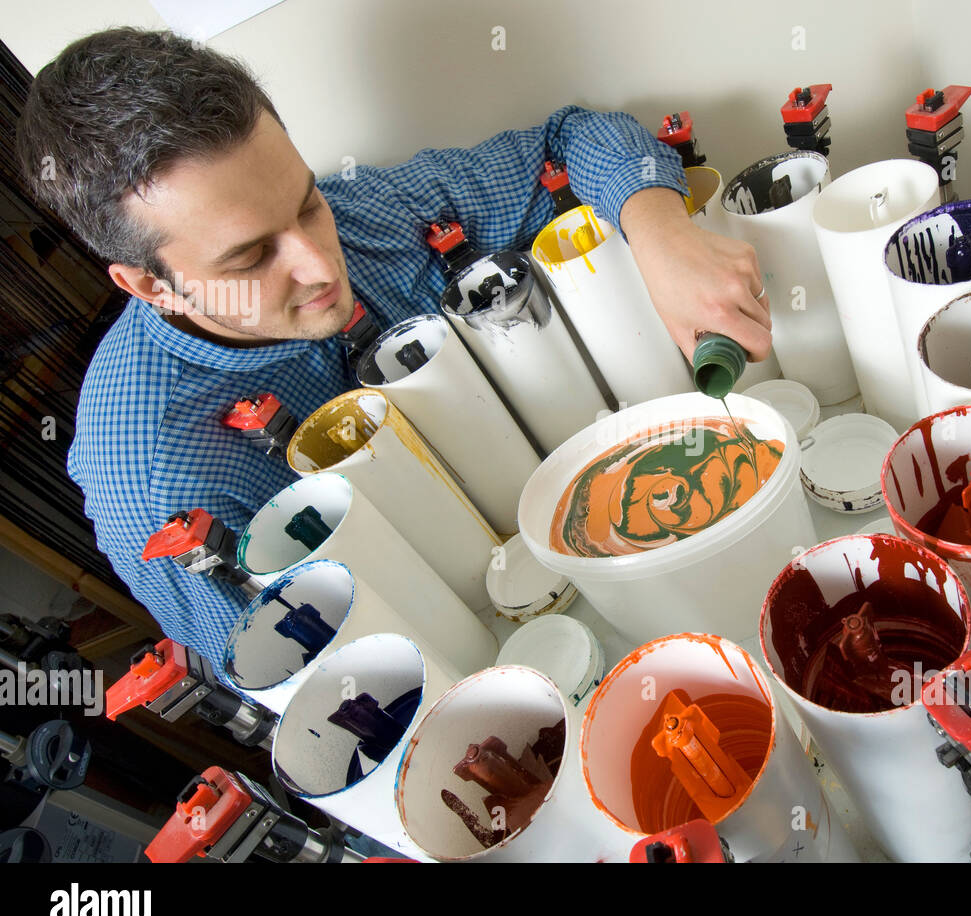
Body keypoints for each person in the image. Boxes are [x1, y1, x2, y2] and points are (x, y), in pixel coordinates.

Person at [16, 28, 772, 662]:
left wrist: (662, 233)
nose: (321, 264)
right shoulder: (154, 481)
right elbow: (284, 669)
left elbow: (572, 136)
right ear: (150, 286)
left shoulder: (362, 209)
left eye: (306, 202)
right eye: (250, 258)